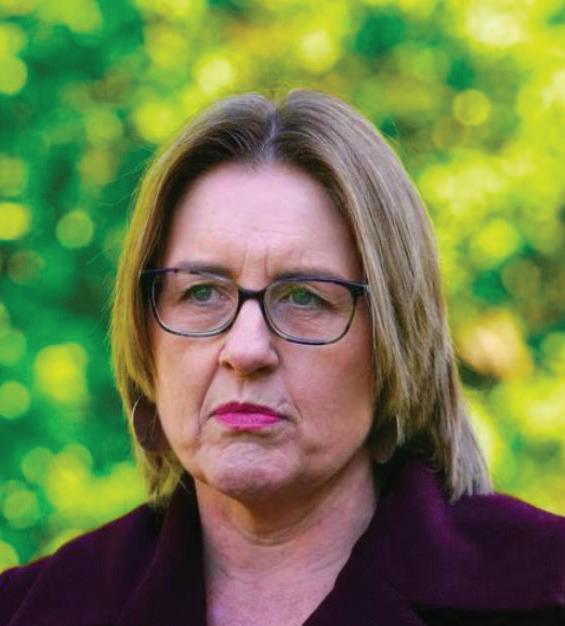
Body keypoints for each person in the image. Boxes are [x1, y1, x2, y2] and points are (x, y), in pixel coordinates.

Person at [0, 89, 564, 626]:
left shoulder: (544, 591)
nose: (246, 350)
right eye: (202, 292)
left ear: (395, 338)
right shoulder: (29, 610)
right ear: (146, 335)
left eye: (304, 298)